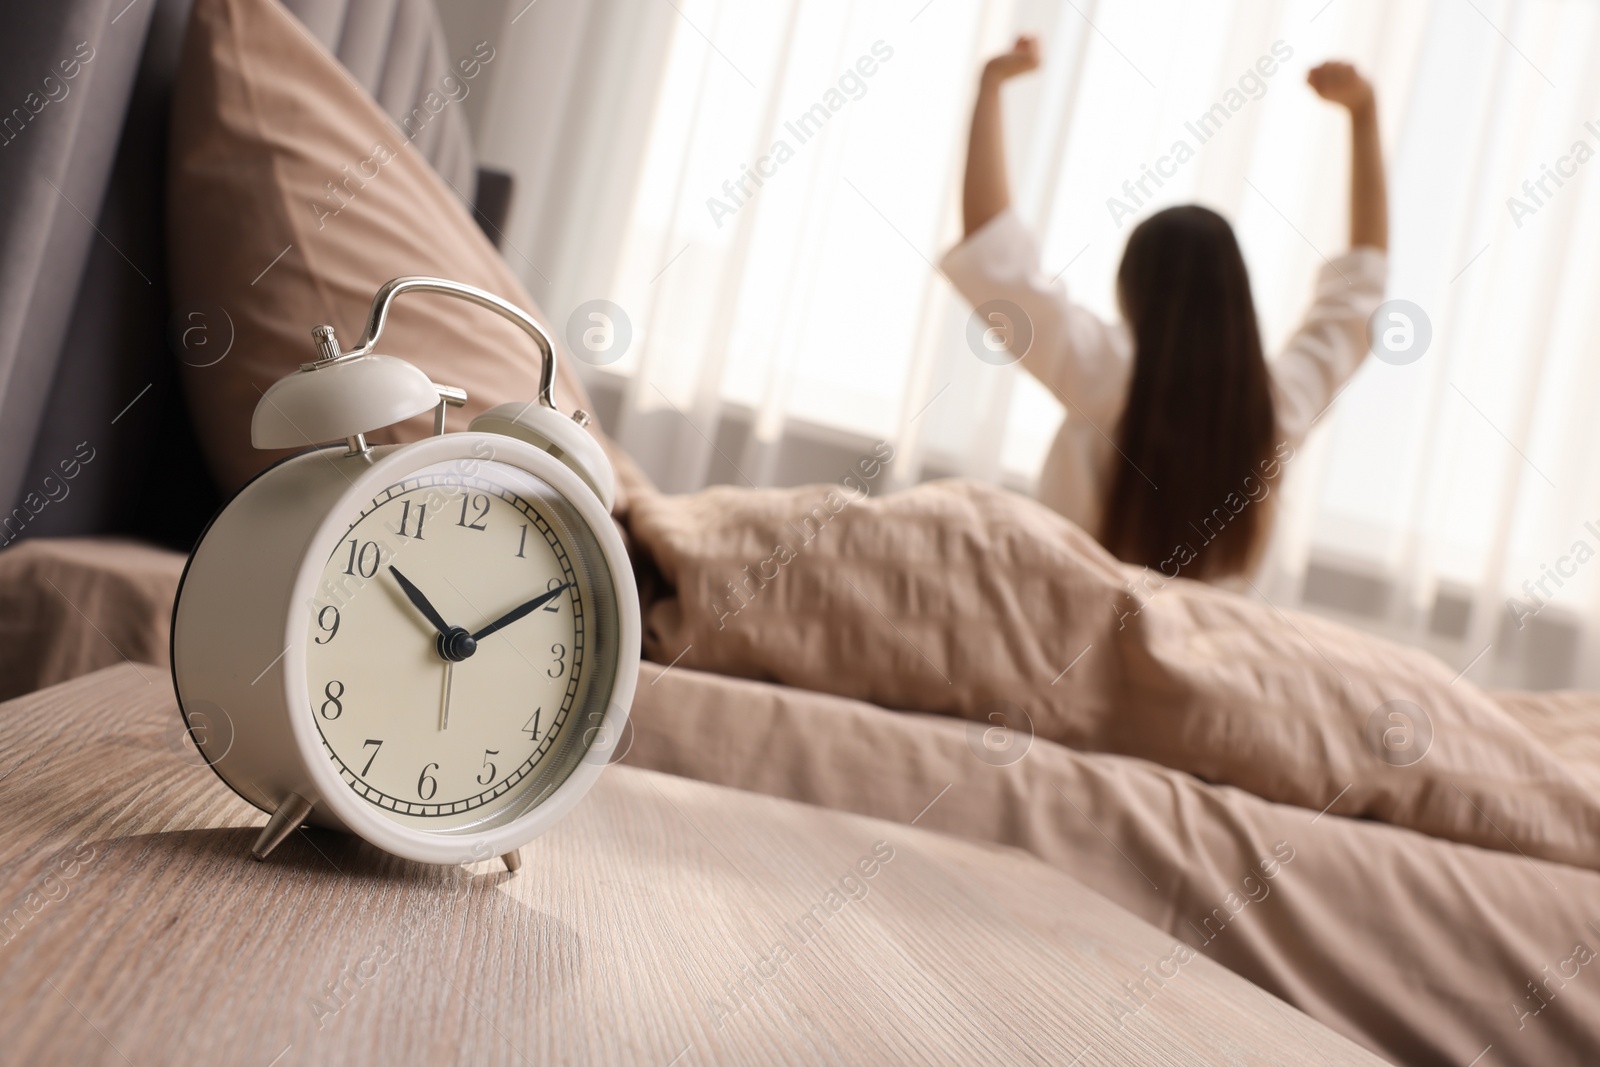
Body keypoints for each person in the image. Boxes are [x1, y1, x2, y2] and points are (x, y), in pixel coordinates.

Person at [941, 36, 1388, 581]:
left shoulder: (1103, 373)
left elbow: (994, 252)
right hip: (1208, 657)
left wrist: (990, 85)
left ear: (1131, 291)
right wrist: (1363, 115)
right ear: (1238, 299)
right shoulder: (1279, 407)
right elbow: (1359, 289)